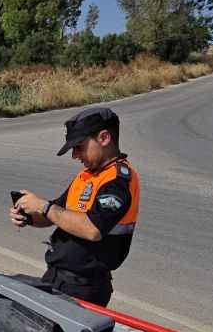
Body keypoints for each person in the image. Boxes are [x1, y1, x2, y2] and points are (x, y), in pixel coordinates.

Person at [8, 106, 139, 306]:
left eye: (79, 147)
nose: (75, 155)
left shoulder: (118, 181)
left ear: (104, 138)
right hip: (58, 278)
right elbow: (57, 213)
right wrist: (29, 215)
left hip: (84, 287)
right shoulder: (87, 176)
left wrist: (43, 206)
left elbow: (92, 229)